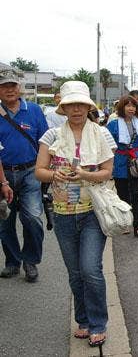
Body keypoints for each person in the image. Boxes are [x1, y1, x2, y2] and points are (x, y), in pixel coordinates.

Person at [34, 81, 114, 347]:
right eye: (71, 105)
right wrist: (53, 174)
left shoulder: (102, 134)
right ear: (64, 108)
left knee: (91, 269)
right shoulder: (51, 136)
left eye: (81, 104)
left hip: (93, 211)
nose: (76, 109)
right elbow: (39, 171)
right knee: (75, 272)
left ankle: (98, 323)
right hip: (63, 212)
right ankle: (82, 320)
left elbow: (107, 172)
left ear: (88, 107)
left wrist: (85, 175)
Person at [0, 67, 48, 282]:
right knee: (4, 222)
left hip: (30, 172)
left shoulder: (35, 110)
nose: (9, 90)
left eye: (12, 85)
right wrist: (2, 181)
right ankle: (12, 262)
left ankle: (30, 260)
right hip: (2, 174)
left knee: (33, 219)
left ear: (19, 88)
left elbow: (46, 142)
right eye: (4, 86)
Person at [107, 96, 138, 238]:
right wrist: (107, 167)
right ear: (122, 107)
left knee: (137, 194)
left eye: (133, 106)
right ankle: (125, 223)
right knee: (123, 195)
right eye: (128, 105)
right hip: (119, 162)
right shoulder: (113, 125)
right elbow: (107, 146)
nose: (131, 108)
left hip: (137, 162)